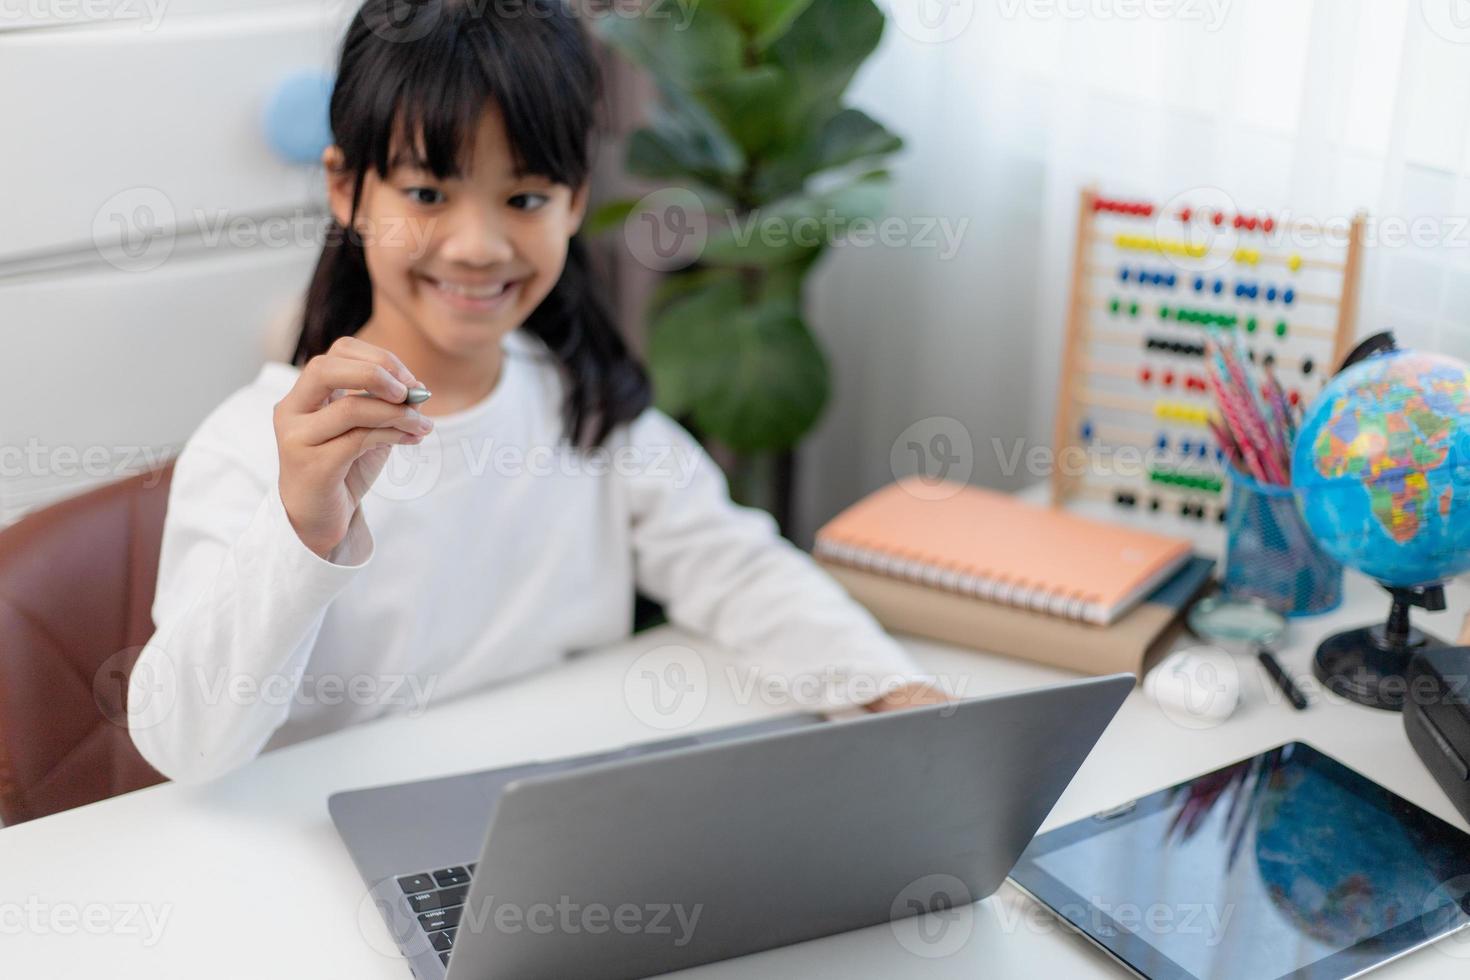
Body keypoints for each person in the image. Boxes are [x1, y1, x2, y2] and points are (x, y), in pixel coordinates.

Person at [129, 0, 945, 785]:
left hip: (546, 821)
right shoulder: (250, 448)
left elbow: (736, 567)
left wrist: (891, 690)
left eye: (524, 199)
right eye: (426, 194)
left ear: (575, 201)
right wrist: (301, 527)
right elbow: (187, 746)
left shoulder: (584, 402)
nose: (478, 247)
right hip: (325, 849)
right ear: (346, 190)